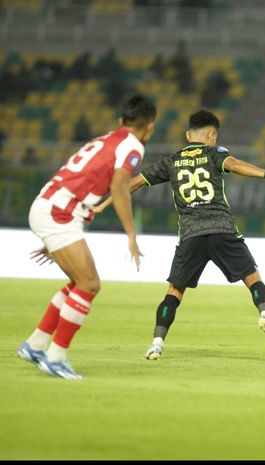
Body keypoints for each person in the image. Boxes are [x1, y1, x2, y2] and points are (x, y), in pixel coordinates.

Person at [95, 109, 265, 360]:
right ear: (212, 135)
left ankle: (157, 343)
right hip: (222, 229)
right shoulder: (215, 153)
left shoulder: (171, 161)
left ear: (188, 135)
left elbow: (132, 183)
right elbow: (235, 165)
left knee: (174, 293)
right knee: (253, 279)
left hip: (191, 235)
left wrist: (102, 204)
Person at [17, 93, 157, 379]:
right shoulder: (132, 146)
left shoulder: (106, 139)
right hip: (59, 214)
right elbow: (120, 187)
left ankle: (36, 344)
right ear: (150, 127)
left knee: (78, 283)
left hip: (51, 207)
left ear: (121, 121)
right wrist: (131, 233)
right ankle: (55, 357)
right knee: (89, 283)